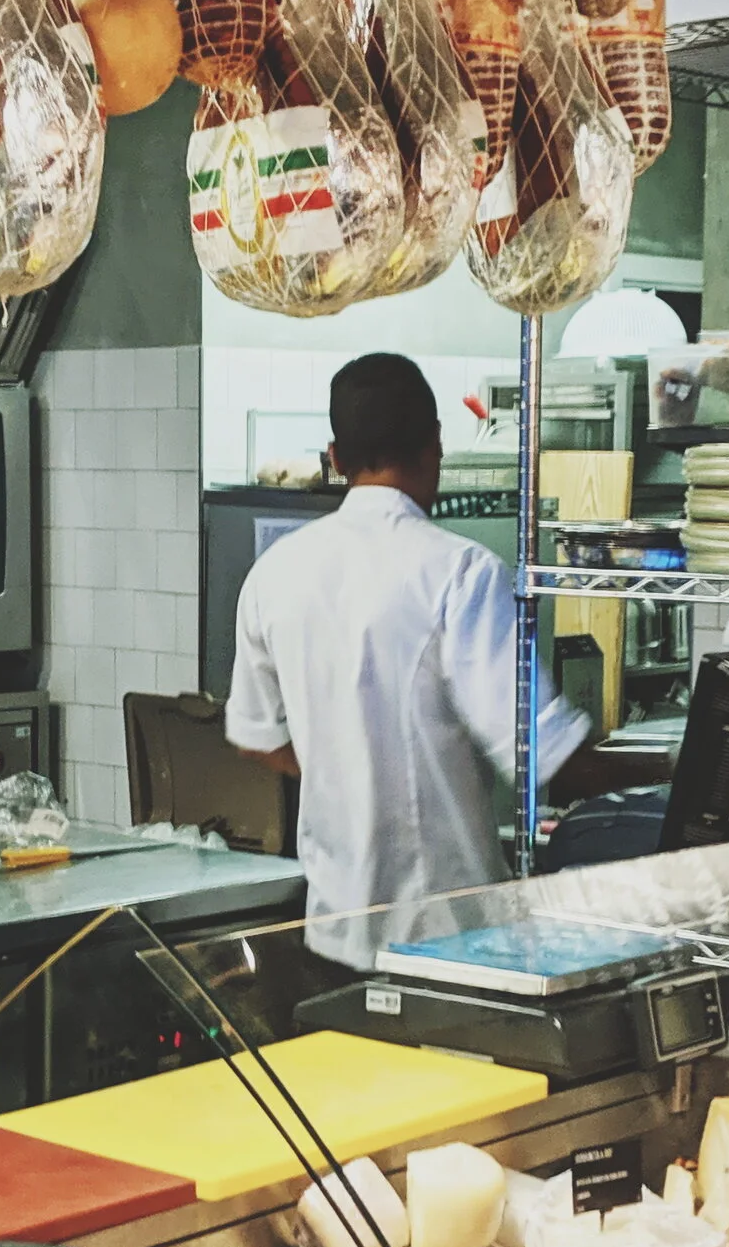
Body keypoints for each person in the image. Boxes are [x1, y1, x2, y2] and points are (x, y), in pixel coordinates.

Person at [224, 350, 610, 943]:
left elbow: (258, 740)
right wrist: (672, 776)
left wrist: (346, 768)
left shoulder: (273, 573)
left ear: (335, 459)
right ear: (436, 444)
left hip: (333, 929)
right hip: (448, 936)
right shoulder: (462, 573)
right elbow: (541, 754)